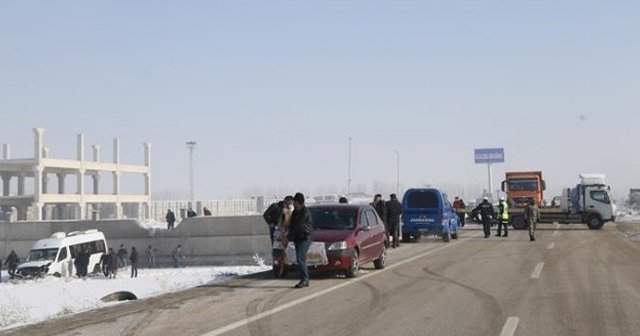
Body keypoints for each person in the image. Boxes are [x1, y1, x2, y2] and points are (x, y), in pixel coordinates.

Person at [287, 192, 313, 289]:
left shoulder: (305, 212)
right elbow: (292, 225)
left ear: (298, 202)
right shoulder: (295, 212)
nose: (293, 203)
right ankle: (304, 278)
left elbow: (299, 226)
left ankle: (305, 279)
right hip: (298, 238)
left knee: (300, 258)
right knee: (300, 259)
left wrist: (288, 237)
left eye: (294, 201)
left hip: (305, 237)